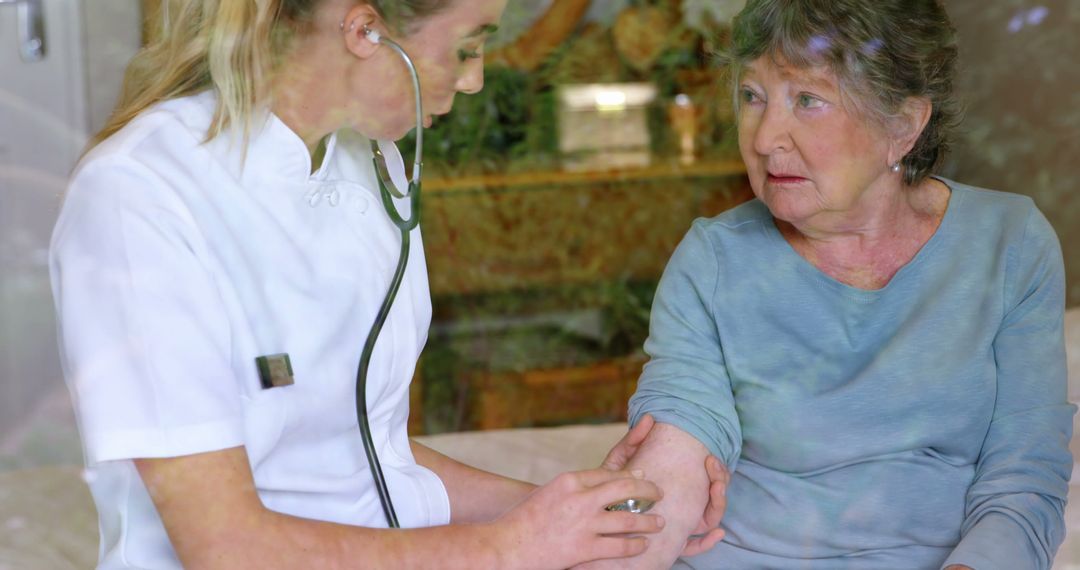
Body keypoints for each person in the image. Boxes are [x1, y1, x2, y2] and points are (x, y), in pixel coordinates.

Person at [48, 0, 731, 568]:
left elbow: (366, 453)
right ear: (363, 29)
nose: (474, 81)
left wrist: (579, 512)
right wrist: (506, 548)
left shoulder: (370, 165)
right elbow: (226, 545)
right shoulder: (142, 195)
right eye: (466, 47)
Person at [583, 0, 1077, 569]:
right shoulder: (714, 259)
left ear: (903, 125)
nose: (766, 138)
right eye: (752, 96)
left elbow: (1023, 478)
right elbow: (676, 455)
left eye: (807, 100)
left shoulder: (1009, 244)